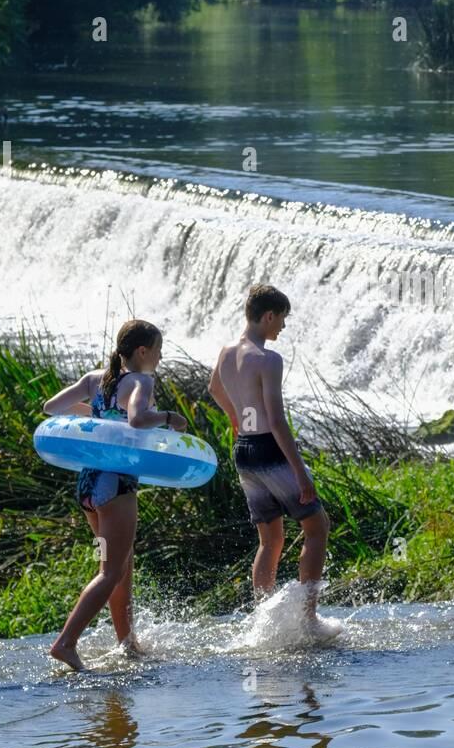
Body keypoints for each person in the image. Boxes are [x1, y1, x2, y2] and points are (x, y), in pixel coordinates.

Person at [42, 320, 186, 671]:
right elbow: (137, 420)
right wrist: (168, 417)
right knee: (110, 572)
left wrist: (99, 414)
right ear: (142, 351)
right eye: (158, 349)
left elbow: (51, 407)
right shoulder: (141, 381)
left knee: (119, 566)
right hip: (117, 485)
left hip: (89, 487)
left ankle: (127, 643)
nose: (161, 355)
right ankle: (65, 643)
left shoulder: (96, 380)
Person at [209, 284, 332, 632]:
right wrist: (301, 474)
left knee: (270, 540)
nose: (282, 327)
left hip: (243, 451)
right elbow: (277, 421)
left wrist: (236, 418)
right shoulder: (268, 359)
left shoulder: (225, 353)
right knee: (317, 526)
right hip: (269, 449)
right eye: (281, 319)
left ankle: (263, 622)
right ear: (267, 316)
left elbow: (214, 389)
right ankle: (308, 618)